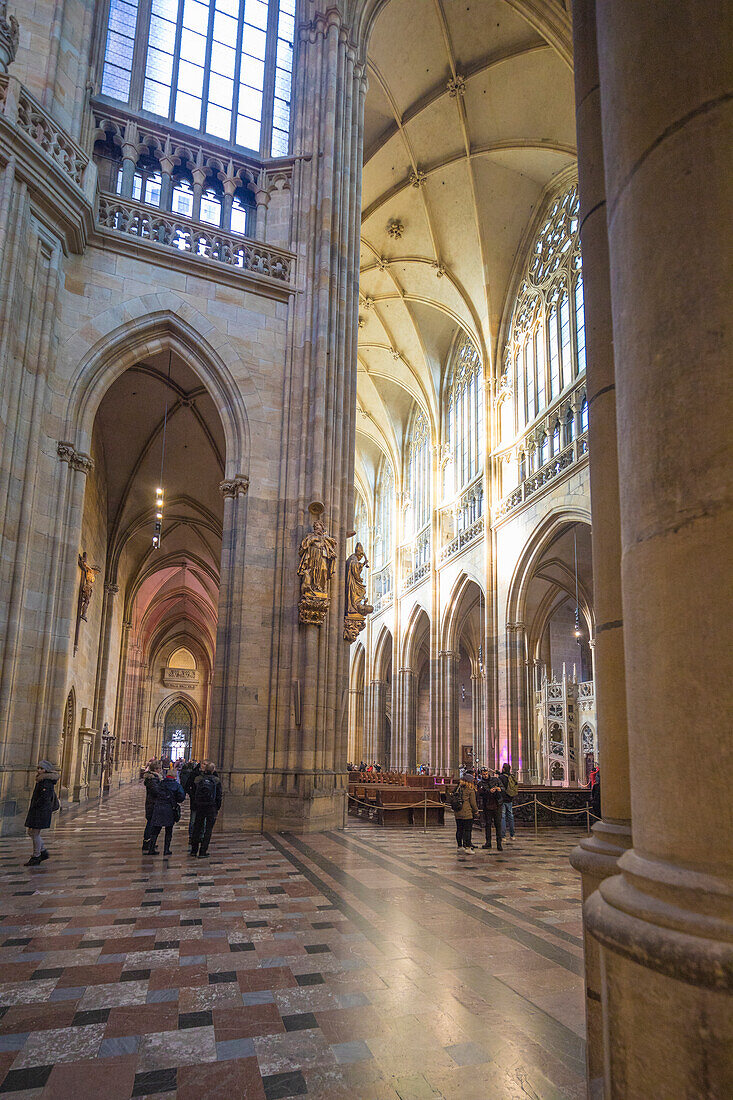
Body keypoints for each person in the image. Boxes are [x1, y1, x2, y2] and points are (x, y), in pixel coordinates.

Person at [24, 761, 60, 866]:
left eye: (41, 768)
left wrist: (36, 806)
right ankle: (42, 851)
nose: (38, 770)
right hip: (38, 810)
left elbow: (45, 798)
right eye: (38, 768)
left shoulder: (46, 782)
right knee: (31, 832)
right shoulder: (42, 780)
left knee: (34, 833)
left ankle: (36, 856)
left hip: (40, 811)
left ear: (46, 770)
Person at [144, 767, 184, 856]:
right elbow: (181, 797)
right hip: (169, 809)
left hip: (158, 807)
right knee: (169, 830)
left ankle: (151, 849)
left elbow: (156, 792)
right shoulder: (176, 785)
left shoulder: (161, 783)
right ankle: (166, 850)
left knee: (156, 830)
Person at [189, 763, 223, 858]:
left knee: (197, 827)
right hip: (211, 807)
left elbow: (193, 792)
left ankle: (193, 850)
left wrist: (195, 802)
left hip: (200, 806)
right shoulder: (216, 781)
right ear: (213, 770)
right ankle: (203, 851)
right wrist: (217, 807)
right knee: (208, 830)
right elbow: (219, 796)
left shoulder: (198, 779)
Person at [478, 769, 504, 851]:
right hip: (487, 806)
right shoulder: (480, 783)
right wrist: (489, 791)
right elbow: (480, 793)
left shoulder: (495, 780)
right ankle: (488, 842)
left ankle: (499, 843)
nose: (485, 775)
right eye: (483, 774)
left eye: (486, 774)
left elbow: (503, 788)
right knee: (488, 824)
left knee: (498, 824)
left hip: (497, 805)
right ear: (481, 775)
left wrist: (499, 789)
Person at [451, 776, 478, 853]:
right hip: (467, 813)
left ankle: (460, 846)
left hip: (457, 812)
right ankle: (468, 847)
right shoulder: (470, 790)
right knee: (468, 830)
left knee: (459, 830)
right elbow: (473, 803)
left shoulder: (457, 788)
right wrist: (476, 811)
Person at [141, 763, 161, 851]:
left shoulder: (152, 778)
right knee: (150, 824)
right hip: (152, 804)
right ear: (156, 769)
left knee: (151, 823)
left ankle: (150, 842)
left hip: (152, 803)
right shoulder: (152, 779)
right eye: (159, 768)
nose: (160, 770)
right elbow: (156, 791)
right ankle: (147, 843)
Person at [499, 761, 518, 840]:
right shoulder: (511, 777)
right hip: (510, 798)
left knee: (502, 817)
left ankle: (503, 836)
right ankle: (512, 835)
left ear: (503, 769)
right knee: (510, 816)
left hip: (503, 799)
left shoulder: (501, 777)